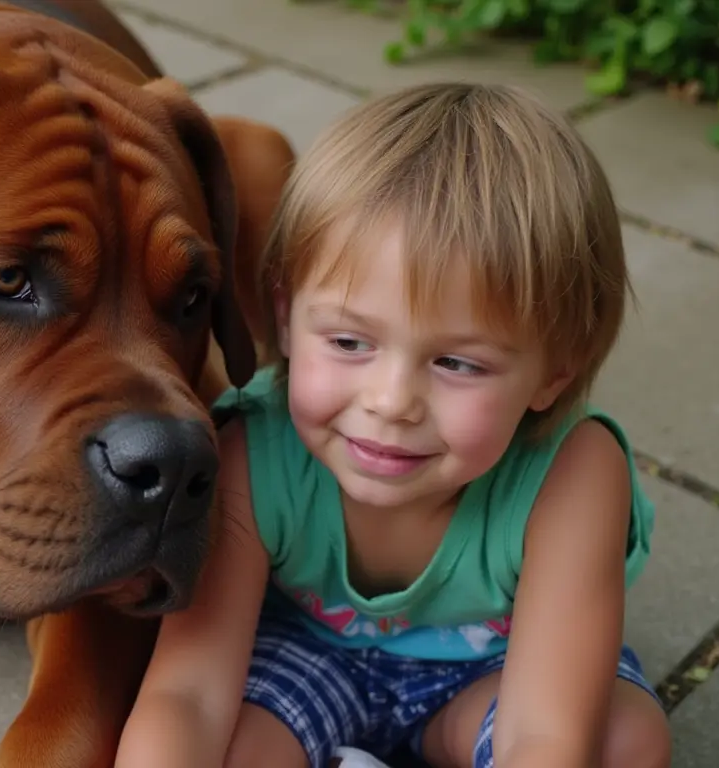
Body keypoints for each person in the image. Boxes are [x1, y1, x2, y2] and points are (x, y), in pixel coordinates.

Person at [114, 82, 672, 768]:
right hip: (303, 660)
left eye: (458, 362)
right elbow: (189, 694)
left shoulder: (573, 472)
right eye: (350, 342)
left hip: (495, 669)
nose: (391, 400)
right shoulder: (252, 452)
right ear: (287, 317)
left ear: (556, 372)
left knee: (625, 743)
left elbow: (544, 733)